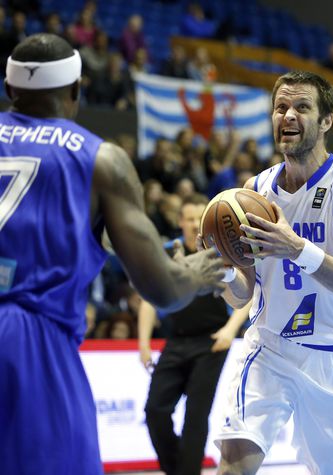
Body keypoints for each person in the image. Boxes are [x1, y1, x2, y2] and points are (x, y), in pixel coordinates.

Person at [0, 34, 225, 475]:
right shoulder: (99, 159)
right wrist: (197, 272)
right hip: (30, 347)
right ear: (76, 89)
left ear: (9, 89)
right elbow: (163, 290)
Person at [211, 70, 333, 475]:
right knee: (233, 465)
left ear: (326, 121)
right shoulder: (254, 191)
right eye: (280, 107)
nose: (288, 115)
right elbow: (243, 294)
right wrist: (221, 271)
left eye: (301, 107)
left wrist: (296, 248)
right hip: (269, 347)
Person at [139, 193, 248, 475]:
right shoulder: (167, 252)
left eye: (198, 218)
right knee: (154, 411)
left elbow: (249, 294)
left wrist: (230, 330)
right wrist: (144, 344)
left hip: (212, 342)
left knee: (196, 416)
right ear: (180, 221)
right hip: (176, 339)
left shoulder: (222, 250)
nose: (193, 223)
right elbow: (149, 299)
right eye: (188, 218)